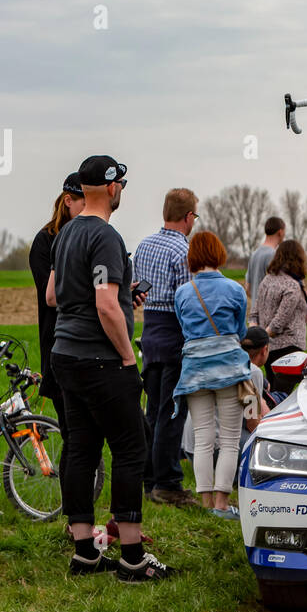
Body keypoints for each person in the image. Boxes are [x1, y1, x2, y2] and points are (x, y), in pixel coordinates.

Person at [47, 155, 172, 582]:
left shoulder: (64, 234)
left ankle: (84, 552)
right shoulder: (105, 236)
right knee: (130, 448)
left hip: (65, 354)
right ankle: (133, 557)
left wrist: (122, 299)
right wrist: (127, 356)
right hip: (100, 357)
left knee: (80, 449)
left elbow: (56, 296)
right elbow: (103, 303)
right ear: (113, 188)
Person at [173, 230, 249, 519]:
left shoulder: (183, 292)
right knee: (229, 440)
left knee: (203, 437)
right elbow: (241, 331)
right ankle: (221, 503)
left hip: (194, 372)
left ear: (192, 257)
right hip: (229, 369)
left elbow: (185, 330)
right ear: (218, 254)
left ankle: (204, 503)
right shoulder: (234, 290)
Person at [133, 189, 197, 507]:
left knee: (152, 411)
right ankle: (168, 483)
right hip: (174, 334)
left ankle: (148, 480)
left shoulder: (144, 246)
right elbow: (186, 301)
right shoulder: (183, 251)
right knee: (172, 412)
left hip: (149, 334)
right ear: (188, 217)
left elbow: (137, 290)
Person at [29, 172, 84, 485]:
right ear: (68, 201)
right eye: (84, 202)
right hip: (59, 346)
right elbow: (51, 297)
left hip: (91, 348)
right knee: (73, 432)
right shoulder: (45, 241)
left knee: (86, 433)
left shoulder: (93, 235)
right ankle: (73, 507)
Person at [181, 326, 273, 481]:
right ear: (264, 350)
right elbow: (252, 423)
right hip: (215, 449)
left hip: (190, 447)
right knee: (271, 450)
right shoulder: (253, 371)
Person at [255, 240, 307, 395]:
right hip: (290, 349)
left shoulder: (266, 280)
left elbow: (254, 313)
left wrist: (259, 337)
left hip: (269, 350)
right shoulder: (292, 285)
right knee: (282, 397)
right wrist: (263, 336)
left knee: (274, 391)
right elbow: (279, 321)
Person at [244, 217, 285, 321]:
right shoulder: (274, 255)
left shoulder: (254, 255)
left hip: (254, 320)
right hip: (268, 322)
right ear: (280, 232)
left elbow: (248, 289)